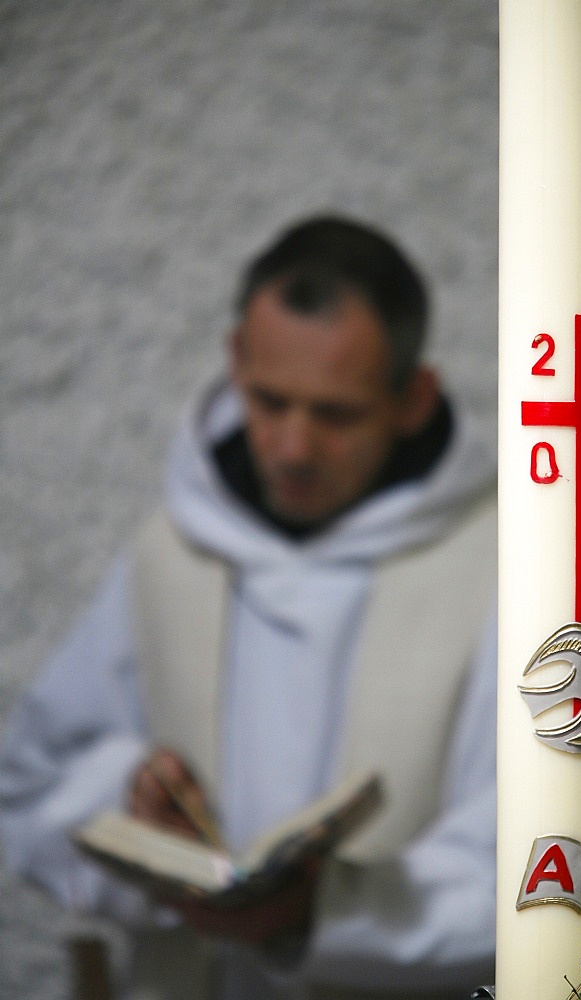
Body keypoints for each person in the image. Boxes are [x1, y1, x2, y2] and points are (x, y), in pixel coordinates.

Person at [0, 214, 498, 1000]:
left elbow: (545, 870)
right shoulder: (175, 548)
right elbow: (30, 782)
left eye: (335, 414)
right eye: (268, 401)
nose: (293, 448)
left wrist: (316, 916)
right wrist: (134, 805)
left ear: (413, 398)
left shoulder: (503, 571)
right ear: (235, 361)